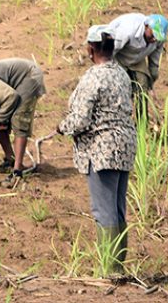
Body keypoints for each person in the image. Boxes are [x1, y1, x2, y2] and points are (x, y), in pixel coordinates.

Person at [57, 25, 137, 276]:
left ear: (90, 49)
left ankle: (110, 269)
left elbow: (80, 119)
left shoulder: (93, 77)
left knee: (103, 211)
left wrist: (62, 127)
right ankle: (118, 265)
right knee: (117, 208)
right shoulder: (122, 73)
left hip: (101, 149)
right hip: (124, 146)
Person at [107, 13, 168, 109]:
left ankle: (142, 119)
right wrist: (109, 71)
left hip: (137, 58)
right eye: (153, 35)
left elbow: (156, 54)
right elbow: (110, 51)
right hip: (118, 55)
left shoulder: (158, 39)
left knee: (142, 86)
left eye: (157, 37)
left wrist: (153, 73)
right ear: (146, 26)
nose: (154, 39)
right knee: (119, 88)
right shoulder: (127, 31)